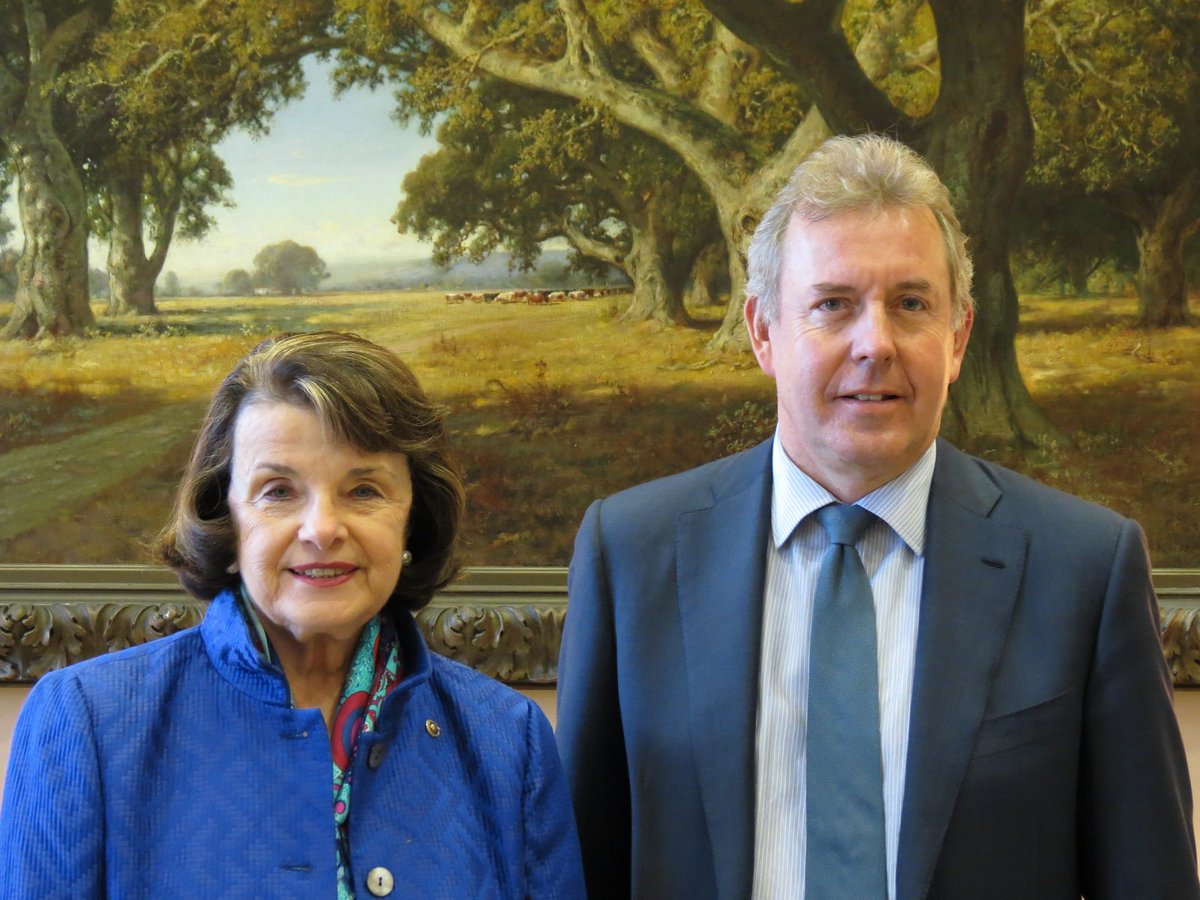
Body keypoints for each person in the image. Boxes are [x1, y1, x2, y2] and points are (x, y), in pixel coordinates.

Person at [556, 134, 1198, 898]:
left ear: (957, 338)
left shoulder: (1085, 568)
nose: (876, 344)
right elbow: (575, 871)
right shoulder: (631, 555)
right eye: (833, 304)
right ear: (763, 332)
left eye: (911, 304)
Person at [0, 331, 585, 899]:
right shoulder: (85, 721)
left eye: (364, 491)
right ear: (226, 520)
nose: (322, 529)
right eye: (278, 491)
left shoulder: (508, 737)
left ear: (414, 520)